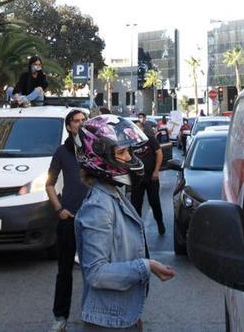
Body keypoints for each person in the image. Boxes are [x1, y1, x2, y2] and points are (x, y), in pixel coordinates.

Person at [74, 115, 175, 329]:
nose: (129, 158)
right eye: (122, 152)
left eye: (129, 151)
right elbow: (96, 273)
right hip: (107, 324)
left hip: (120, 316)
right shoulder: (99, 205)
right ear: (100, 156)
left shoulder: (113, 193)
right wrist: (147, 266)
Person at [46, 109, 89, 330]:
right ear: (69, 125)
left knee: (95, 269)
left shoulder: (94, 149)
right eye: (76, 121)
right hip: (69, 217)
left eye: (84, 120)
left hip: (94, 218)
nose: (81, 124)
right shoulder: (62, 152)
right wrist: (59, 209)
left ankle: (94, 314)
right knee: (64, 270)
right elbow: (49, 184)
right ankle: (60, 317)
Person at [129, 113, 165, 235]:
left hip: (151, 178)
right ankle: (138, 230)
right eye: (134, 128)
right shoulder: (129, 143)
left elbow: (159, 153)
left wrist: (156, 171)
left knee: (154, 202)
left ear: (143, 128)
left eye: (139, 127)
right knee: (136, 205)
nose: (137, 130)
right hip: (136, 179)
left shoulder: (150, 138)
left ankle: (160, 224)